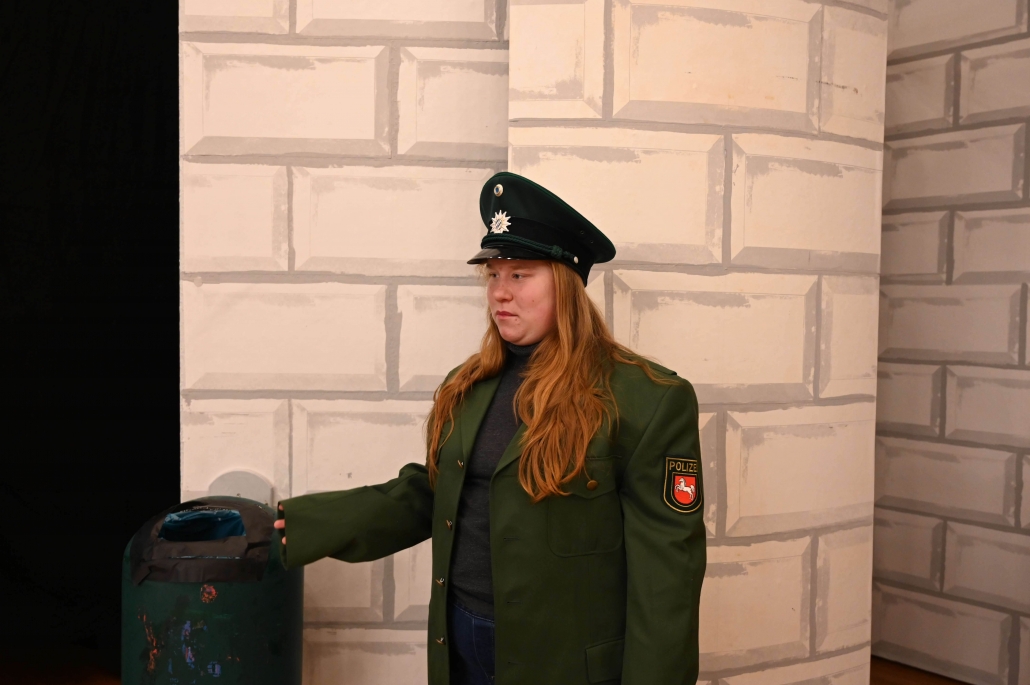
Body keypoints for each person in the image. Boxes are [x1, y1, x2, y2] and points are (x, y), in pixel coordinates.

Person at [274, 172, 706, 685]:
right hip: (461, 645)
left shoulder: (646, 399)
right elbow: (433, 493)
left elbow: (667, 579)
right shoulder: (470, 384)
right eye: (493, 275)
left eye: (519, 275)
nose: (500, 293)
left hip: (563, 663)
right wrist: (301, 525)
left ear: (566, 284)